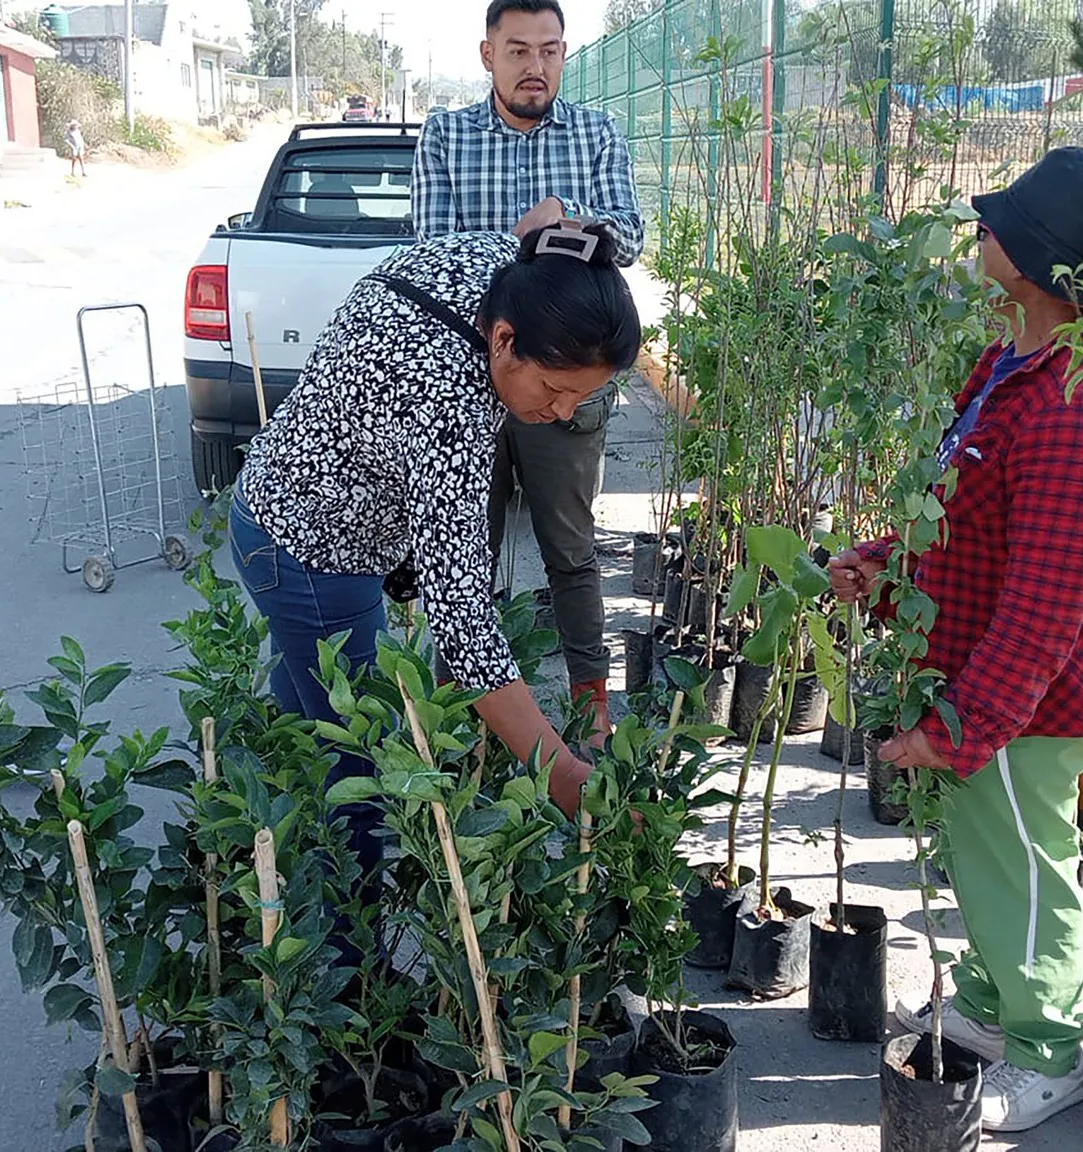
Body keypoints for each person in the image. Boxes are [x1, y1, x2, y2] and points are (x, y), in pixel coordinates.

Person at [827, 146, 1083, 1133]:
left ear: (1042, 259)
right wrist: (889, 563)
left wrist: (962, 723)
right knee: (986, 854)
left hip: (1021, 697)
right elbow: (963, 503)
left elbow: (1044, 601)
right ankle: (988, 1003)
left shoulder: (1076, 405)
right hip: (978, 673)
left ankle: (1048, 1049)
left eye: (1001, 223)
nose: (980, 230)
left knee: (1022, 859)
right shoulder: (1014, 357)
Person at [231, 220, 641, 872]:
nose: (563, 414)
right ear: (503, 341)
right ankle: (349, 960)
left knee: (305, 739)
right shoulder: (449, 397)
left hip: (293, 510)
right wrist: (561, 773)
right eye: (556, 390)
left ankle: (267, 866)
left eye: (583, 397)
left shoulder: (509, 270)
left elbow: (560, 240)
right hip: (308, 547)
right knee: (359, 770)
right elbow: (462, 623)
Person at [412, 0, 645, 739]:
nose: (534, 66)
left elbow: (631, 235)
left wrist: (568, 216)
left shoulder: (596, 134)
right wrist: (517, 248)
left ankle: (591, 712)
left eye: (549, 50)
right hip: (471, 380)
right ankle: (460, 718)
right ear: (488, 57)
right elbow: (426, 248)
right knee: (462, 559)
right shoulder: (446, 136)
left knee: (572, 553)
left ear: (564, 54)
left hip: (568, 378)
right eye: (517, 50)